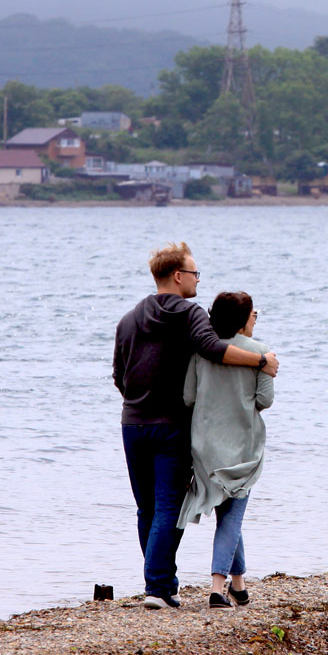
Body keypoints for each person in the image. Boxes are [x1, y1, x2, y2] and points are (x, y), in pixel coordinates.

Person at [112, 243, 278, 609]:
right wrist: (261, 360)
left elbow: (119, 376)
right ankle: (158, 589)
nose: (197, 279)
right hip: (171, 425)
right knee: (168, 507)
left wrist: (138, 401)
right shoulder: (190, 314)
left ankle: (159, 582)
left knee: (146, 509)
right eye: (195, 273)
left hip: (133, 422)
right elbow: (213, 348)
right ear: (177, 276)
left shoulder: (128, 319)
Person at [179, 290, 274, 609]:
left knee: (228, 512)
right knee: (232, 517)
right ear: (243, 319)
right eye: (253, 314)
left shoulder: (200, 352)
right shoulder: (261, 353)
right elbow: (264, 401)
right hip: (242, 446)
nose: (255, 318)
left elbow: (189, 397)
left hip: (204, 445)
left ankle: (238, 585)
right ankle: (217, 588)